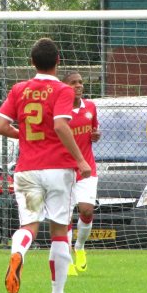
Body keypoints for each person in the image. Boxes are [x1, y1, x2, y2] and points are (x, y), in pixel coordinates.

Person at [0, 38, 91, 293]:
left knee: (29, 225)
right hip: (58, 170)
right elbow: (61, 126)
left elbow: (0, 125)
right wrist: (81, 160)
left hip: (26, 170)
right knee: (60, 230)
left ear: (31, 62)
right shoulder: (63, 91)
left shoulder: (19, 89)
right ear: (58, 61)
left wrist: (23, 136)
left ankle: (18, 254)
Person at [62, 71, 100, 274]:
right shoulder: (59, 110)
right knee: (65, 216)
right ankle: (66, 259)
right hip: (64, 168)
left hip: (87, 168)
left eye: (80, 82)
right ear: (64, 86)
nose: (78, 86)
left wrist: (96, 136)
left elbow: (94, 130)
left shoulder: (91, 107)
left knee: (86, 210)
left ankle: (80, 247)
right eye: (73, 83)